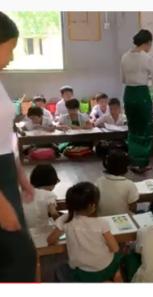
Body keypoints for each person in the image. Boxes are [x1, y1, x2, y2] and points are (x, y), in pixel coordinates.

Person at [0, 12, 36, 281]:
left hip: (6, 171)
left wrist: (19, 172)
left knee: (21, 258)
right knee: (15, 260)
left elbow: (3, 135)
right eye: (10, 48)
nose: (11, 57)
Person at [47, 182, 123, 282]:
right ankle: (115, 276)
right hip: (104, 266)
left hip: (83, 273)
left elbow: (50, 240)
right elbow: (115, 248)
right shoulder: (101, 223)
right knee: (118, 256)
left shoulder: (65, 220)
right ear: (92, 206)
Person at [121, 29, 153, 174]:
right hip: (142, 94)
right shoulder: (146, 58)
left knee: (133, 128)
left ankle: (133, 161)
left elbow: (123, 79)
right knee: (145, 128)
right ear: (147, 42)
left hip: (129, 94)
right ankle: (142, 163)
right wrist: (152, 87)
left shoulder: (124, 56)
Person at [95, 150, 139, 216]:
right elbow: (133, 208)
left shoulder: (98, 181)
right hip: (124, 221)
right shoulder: (129, 185)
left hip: (102, 219)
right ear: (126, 167)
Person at [23, 164, 59, 229]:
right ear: (53, 182)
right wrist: (62, 225)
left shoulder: (24, 192)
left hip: (23, 230)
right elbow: (54, 213)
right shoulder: (49, 195)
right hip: (41, 231)